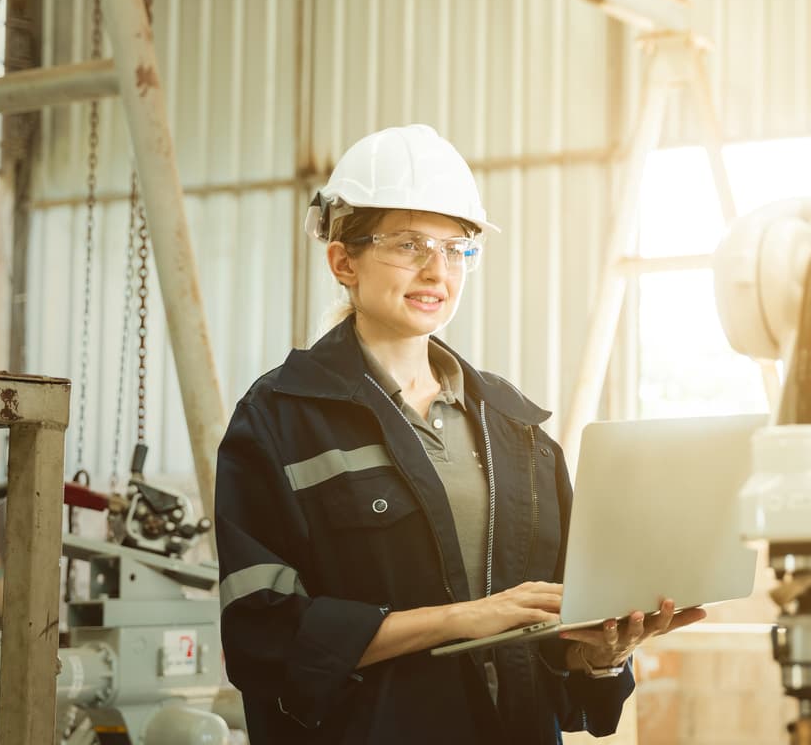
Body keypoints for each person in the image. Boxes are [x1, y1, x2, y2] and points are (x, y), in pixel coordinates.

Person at [215, 124, 703, 743]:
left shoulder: (517, 429)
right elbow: (264, 638)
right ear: (343, 260)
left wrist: (604, 653)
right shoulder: (279, 418)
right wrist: (464, 619)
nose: (436, 271)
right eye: (409, 244)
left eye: (456, 248)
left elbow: (556, 641)